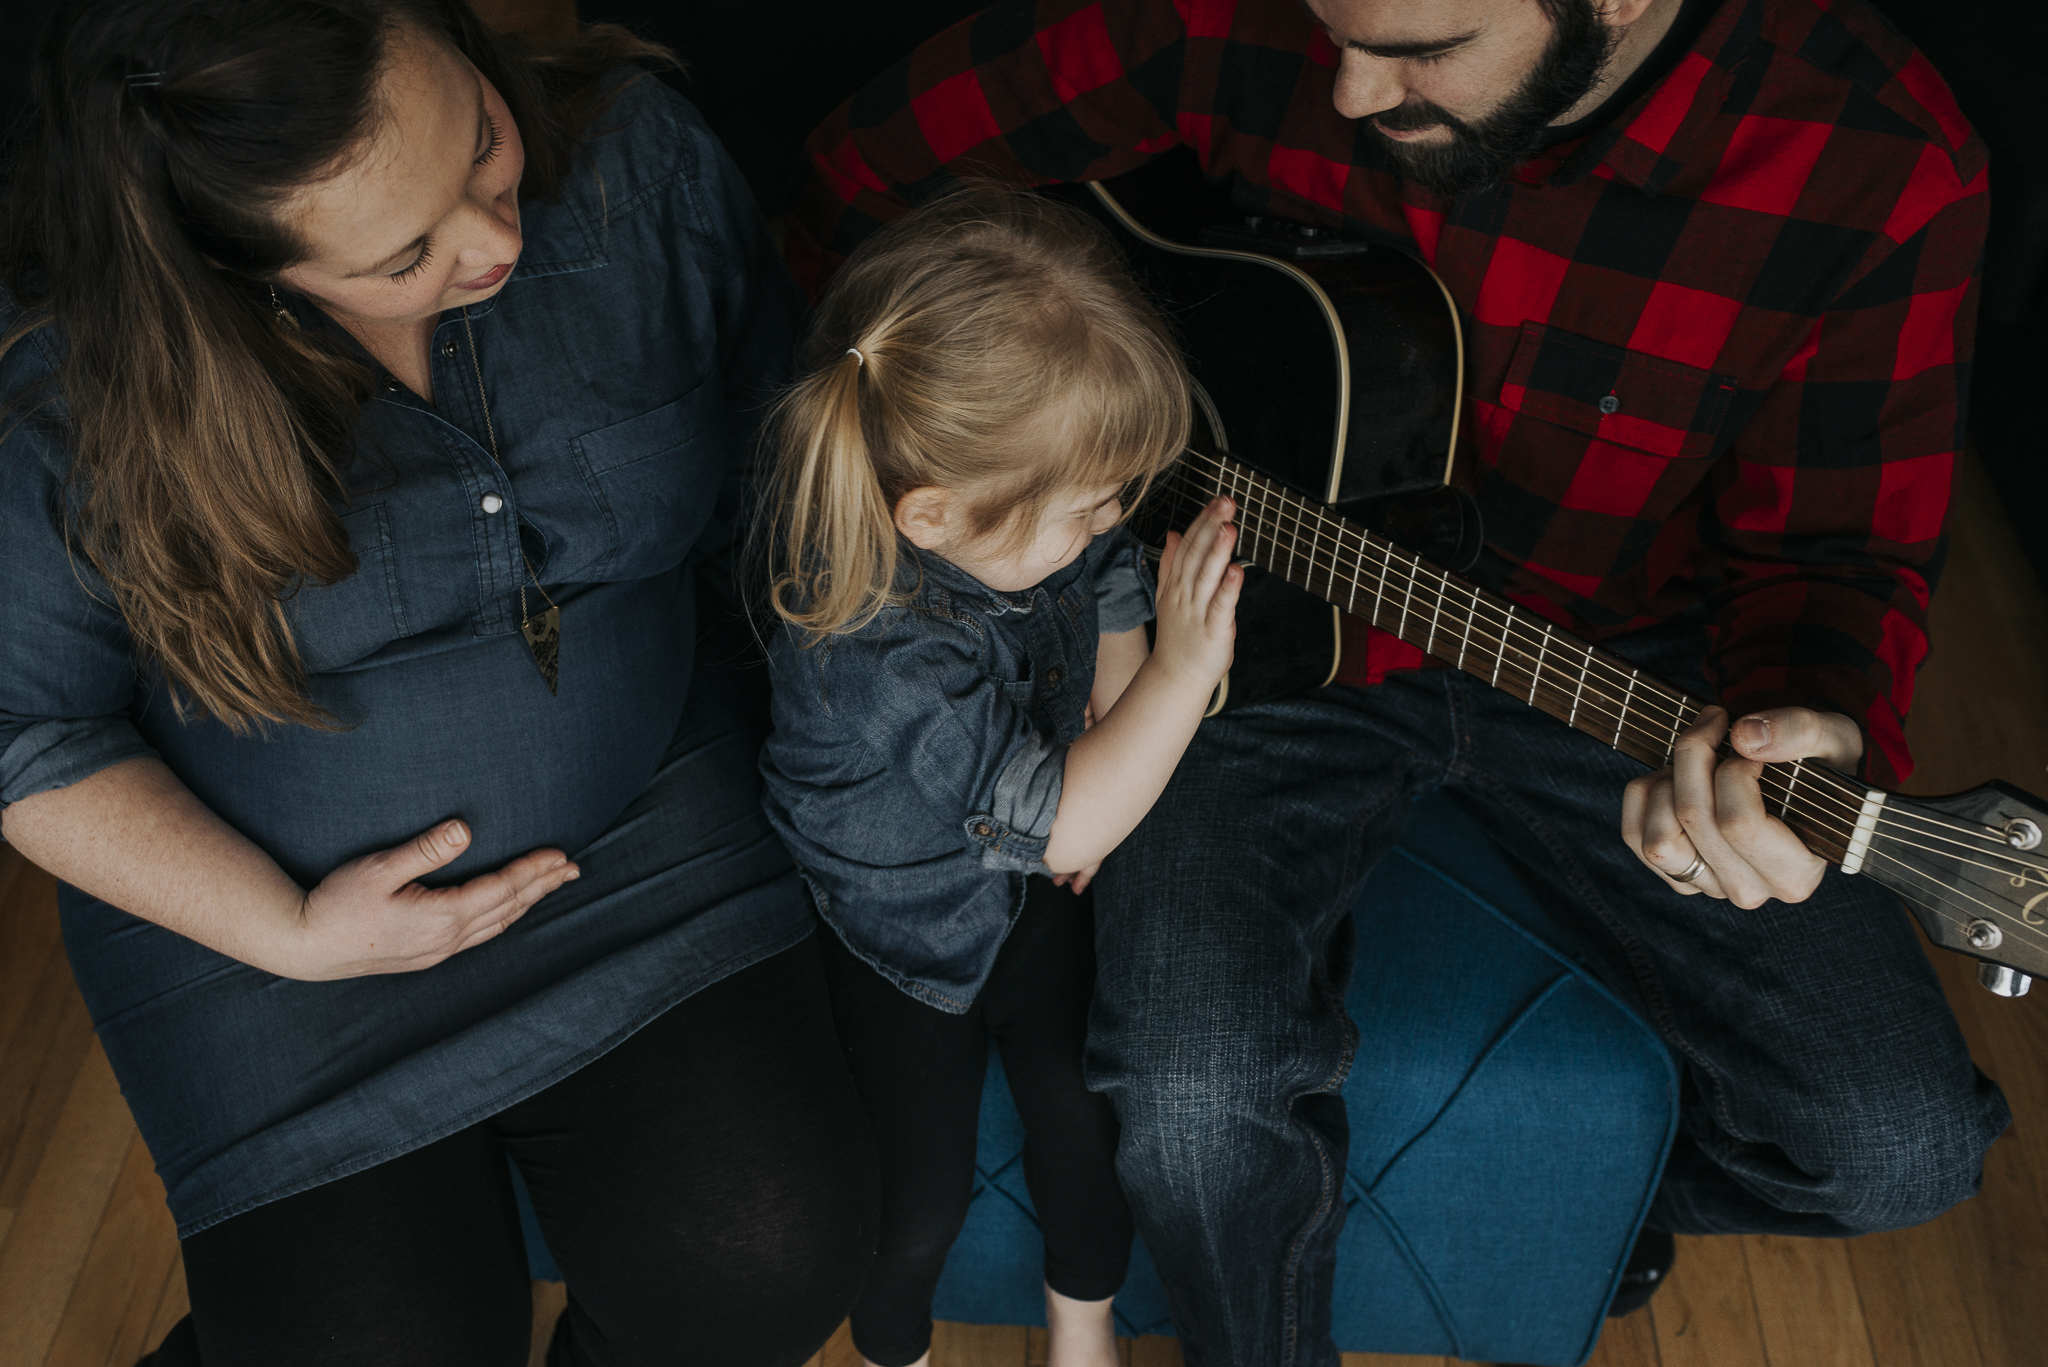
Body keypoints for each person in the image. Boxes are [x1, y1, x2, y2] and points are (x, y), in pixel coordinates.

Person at [786, 0, 2014, 1361]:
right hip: (1243, 643)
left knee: (1898, 1146)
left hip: (1622, 659)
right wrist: (1062, 402)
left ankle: (1593, 1205)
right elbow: (860, 181)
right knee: (1195, 1106)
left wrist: (1812, 718)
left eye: (1420, 50)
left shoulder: (1873, 158)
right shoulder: (1240, 17)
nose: (1353, 88)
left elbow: (1834, 553)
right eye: (1333, 26)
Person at [0, 2, 874, 1363]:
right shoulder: (74, 383)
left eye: (480, 141)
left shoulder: (639, 161)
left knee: (767, 1255)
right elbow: (22, 726)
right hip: (266, 934)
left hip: (644, 828)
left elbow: (779, 466)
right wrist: (289, 926)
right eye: (407, 253)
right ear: (238, 263)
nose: (497, 240)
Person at [757, 187, 1243, 1367]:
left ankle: (1083, 1335)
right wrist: (1179, 682)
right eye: (1084, 506)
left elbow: (1108, 597)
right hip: (903, 931)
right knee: (914, 1198)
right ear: (930, 514)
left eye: (1115, 494)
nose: (1109, 521)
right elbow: (1069, 805)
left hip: (1028, 878)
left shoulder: (1044, 519)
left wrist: (1129, 687)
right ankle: (893, 1348)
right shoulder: (866, 649)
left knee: (1087, 1129)